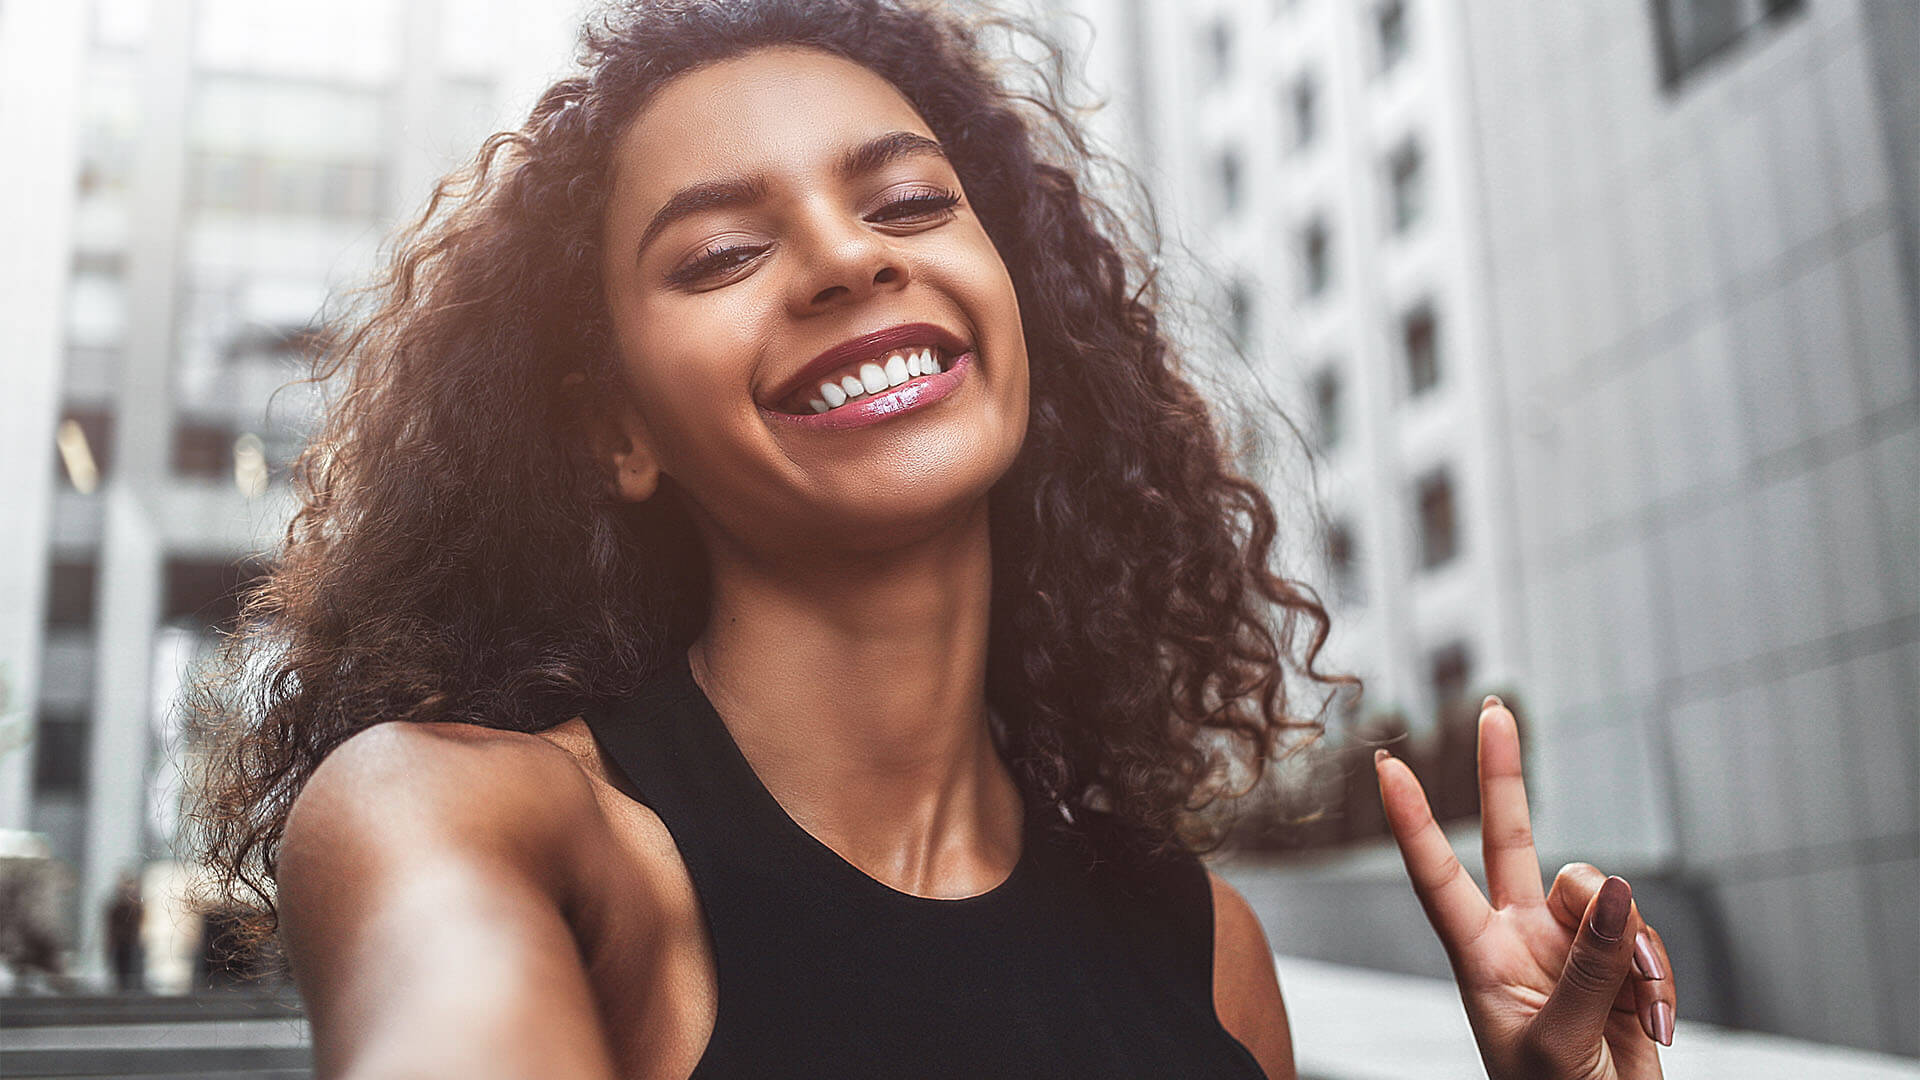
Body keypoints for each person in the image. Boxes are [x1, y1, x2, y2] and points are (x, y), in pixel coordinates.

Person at [186, 1, 1677, 1077]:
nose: (849, 258)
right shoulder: (471, 822)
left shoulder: (1210, 955)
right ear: (613, 431)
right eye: (721, 252)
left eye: (907, 199)